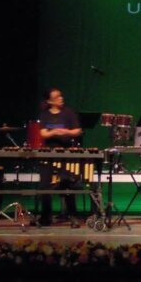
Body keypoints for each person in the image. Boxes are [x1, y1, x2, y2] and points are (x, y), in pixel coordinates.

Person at [38, 88, 84, 227]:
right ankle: (46, 217)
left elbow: (78, 130)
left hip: (65, 154)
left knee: (68, 184)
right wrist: (53, 132)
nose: (61, 98)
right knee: (45, 186)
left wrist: (66, 131)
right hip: (48, 154)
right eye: (57, 97)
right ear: (50, 101)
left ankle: (73, 216)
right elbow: (43, 134)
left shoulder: (68, 112)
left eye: (61, 96)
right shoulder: (45, 115)